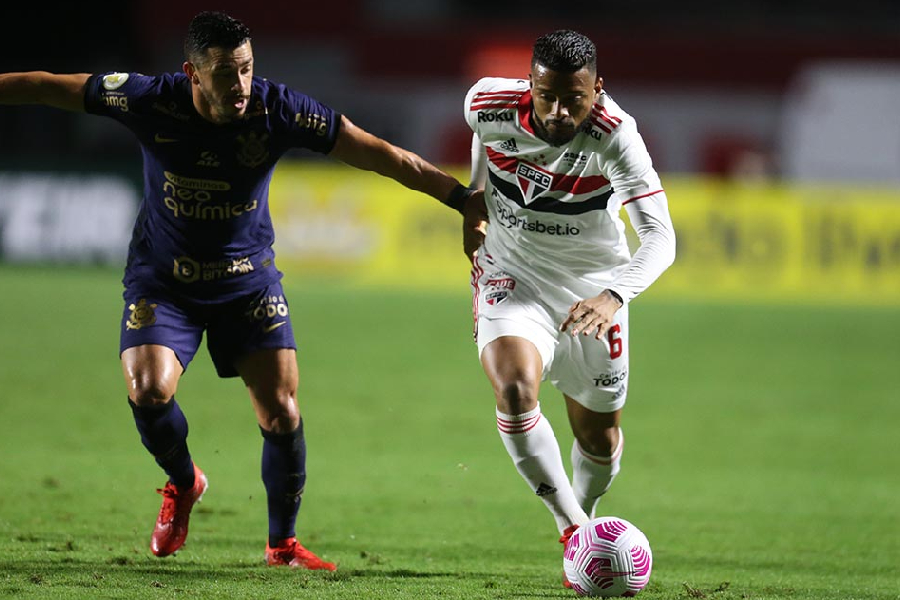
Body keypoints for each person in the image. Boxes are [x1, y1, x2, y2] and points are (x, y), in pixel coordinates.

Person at [0, 11, 485, 569]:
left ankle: (282, 545)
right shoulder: (148, 99)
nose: (241, 85)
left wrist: (456, 197)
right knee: (149, 391)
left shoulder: (280, 110)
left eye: (247, 69)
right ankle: (183, 483)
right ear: (192, 74)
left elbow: (376, 152)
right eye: (226, 74)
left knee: (280, 409)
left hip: (246, 283)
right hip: (165, 280)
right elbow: (43, 86)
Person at [463, 29, 675, 584]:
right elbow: (483, 145)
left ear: (597, 90)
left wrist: (613, 296)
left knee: (598, 440)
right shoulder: (486, 102)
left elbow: (660, 237)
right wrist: (474, 197)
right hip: (513, 272)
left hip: (594, 290)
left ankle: (588, 514)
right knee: (513, 388)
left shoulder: (616, 136)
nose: (558, 112)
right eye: (547, 95)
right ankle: (575, 530)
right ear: (530, 84)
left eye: (574, 100)